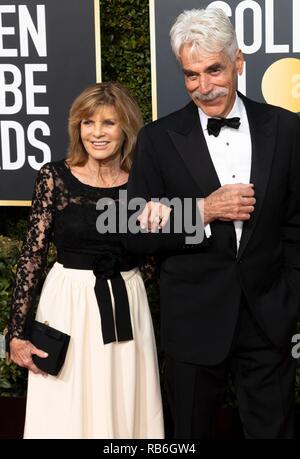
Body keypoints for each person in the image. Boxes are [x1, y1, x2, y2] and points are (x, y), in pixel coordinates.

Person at [126, 8, 300, 439]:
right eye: (191, 75)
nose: (203, 87)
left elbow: (296, 224)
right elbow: (130, 230)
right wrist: (202, 211)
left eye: (214, 70)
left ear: (238, 61)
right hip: (193, 324)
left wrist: (291, 298)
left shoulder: (287, 128)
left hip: (268, 320)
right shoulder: (158, 138)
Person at [7, 82, 164, 439]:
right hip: (67, 303)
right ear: (77, 128)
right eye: (87, 123)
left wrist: (132, 281)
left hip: (125, 301)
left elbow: (154, 251)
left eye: (108, 123)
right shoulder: (54, 177)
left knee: (124, 399)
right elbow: (32, 255)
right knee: (65, 402)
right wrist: (16, 332)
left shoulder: (142, 182)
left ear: (125, 127)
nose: (97, 133)